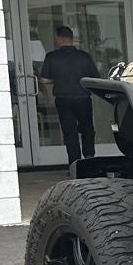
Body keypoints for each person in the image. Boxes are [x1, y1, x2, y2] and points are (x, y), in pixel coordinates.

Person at [38, 25, 101, 165]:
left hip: (64, 100)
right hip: (83, 99)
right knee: (87, 129)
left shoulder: (52, 57)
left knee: (70, 132)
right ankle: (90, 159)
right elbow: (95, 78)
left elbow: (44, 79)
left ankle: (75, 164)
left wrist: (58, 79)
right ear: (71, 39)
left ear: (58, 38)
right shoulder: (85, 57)